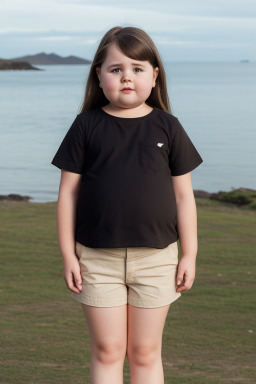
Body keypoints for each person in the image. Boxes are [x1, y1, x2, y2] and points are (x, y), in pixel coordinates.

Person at [51, 25, 203, 384]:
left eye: (137, 68)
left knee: (145, 352)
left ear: (154, 75)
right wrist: (68, 255)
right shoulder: (85, 126)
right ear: (99, 75)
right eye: (116, 69)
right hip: (95, 260)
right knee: (108, 350)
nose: (126, 77)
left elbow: (184, 196)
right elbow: (67, 195)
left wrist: (190, 254)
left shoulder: (169, 127)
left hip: (156, 260)